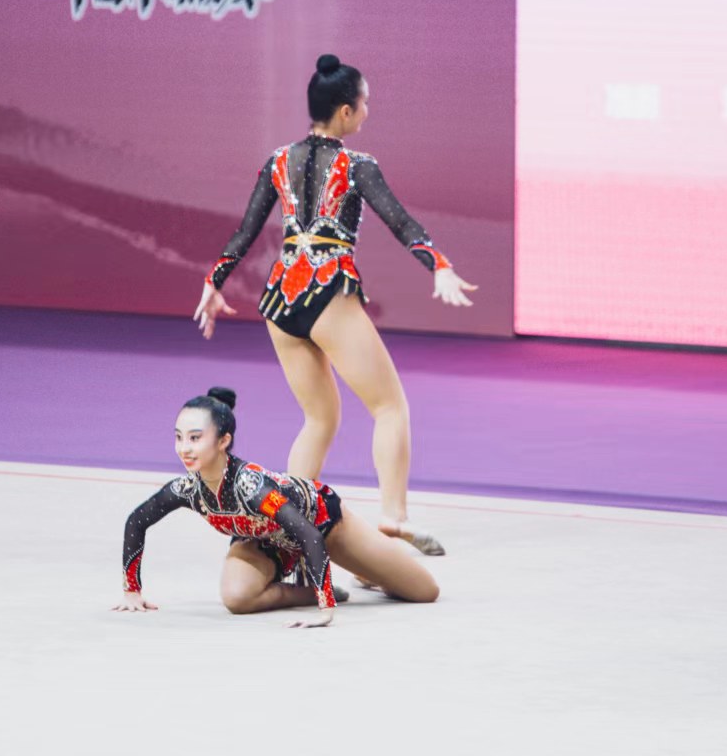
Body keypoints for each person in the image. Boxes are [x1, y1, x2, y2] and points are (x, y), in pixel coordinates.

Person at [193, 54, 477, 556]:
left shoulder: (279, 160)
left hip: (281, 298)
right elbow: (400, 222)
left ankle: (286, 532)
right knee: (389, 407)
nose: (368, 110)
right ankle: (393, 517)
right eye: (364, 103)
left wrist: (213, 283)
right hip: (326, 290)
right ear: (345, 111)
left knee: (319, 418)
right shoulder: (356, 165)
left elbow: (245, 232)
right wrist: (439, 265)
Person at [114, 387, 439, 628]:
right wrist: (132, 590)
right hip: (265, 539)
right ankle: (312, 590)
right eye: (179, 437)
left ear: (224, 440)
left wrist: (325, 612)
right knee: (237, 598)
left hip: (323, 525)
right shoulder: (188, 489)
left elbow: (309, 534)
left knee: (424, 591)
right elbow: (137, 521)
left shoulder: (252, 487)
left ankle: (363, 570)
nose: (184, 448)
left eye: (195, 438)